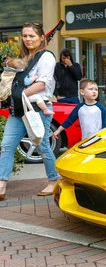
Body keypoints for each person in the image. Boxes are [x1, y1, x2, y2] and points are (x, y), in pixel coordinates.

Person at [0, 22, 59, 199]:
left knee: (42, 147)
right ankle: (1, 184)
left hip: (38, 108)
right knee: (6, 147)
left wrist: (17, 95)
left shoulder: (46, 57)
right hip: (18, 110)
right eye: (25, 36)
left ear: (41, 38)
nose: (27, 39)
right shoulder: (23, 57)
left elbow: (43, 84)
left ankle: (53, 180)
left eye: (31, 36)